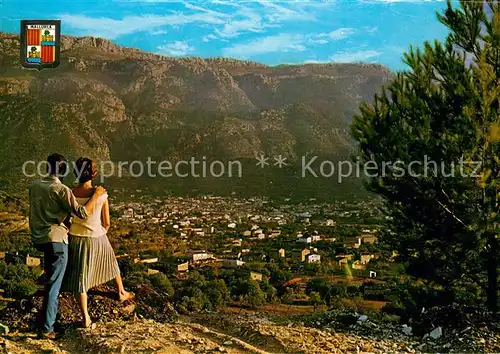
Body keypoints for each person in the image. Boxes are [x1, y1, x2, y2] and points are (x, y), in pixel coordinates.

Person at [28, 153, 107, 339]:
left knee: (50, 281)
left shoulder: (34, 186)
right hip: (57, 241)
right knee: (55, 286)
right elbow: (81, 213)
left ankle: (47, 321)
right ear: (63, 171)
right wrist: (96, 195)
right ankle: (47, 329)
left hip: (39, 238)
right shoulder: (62, 189)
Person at [62, 157, 133, 329]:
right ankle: (121, 292)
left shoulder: (69, 193)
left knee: (81, 277)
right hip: (97, 235)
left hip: (76, 237)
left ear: (76, 173)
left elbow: (66, 220)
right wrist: (100, 232)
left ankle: (85, 317)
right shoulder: (101, 195)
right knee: (110, 261)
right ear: (94, 173)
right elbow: (106, 222)